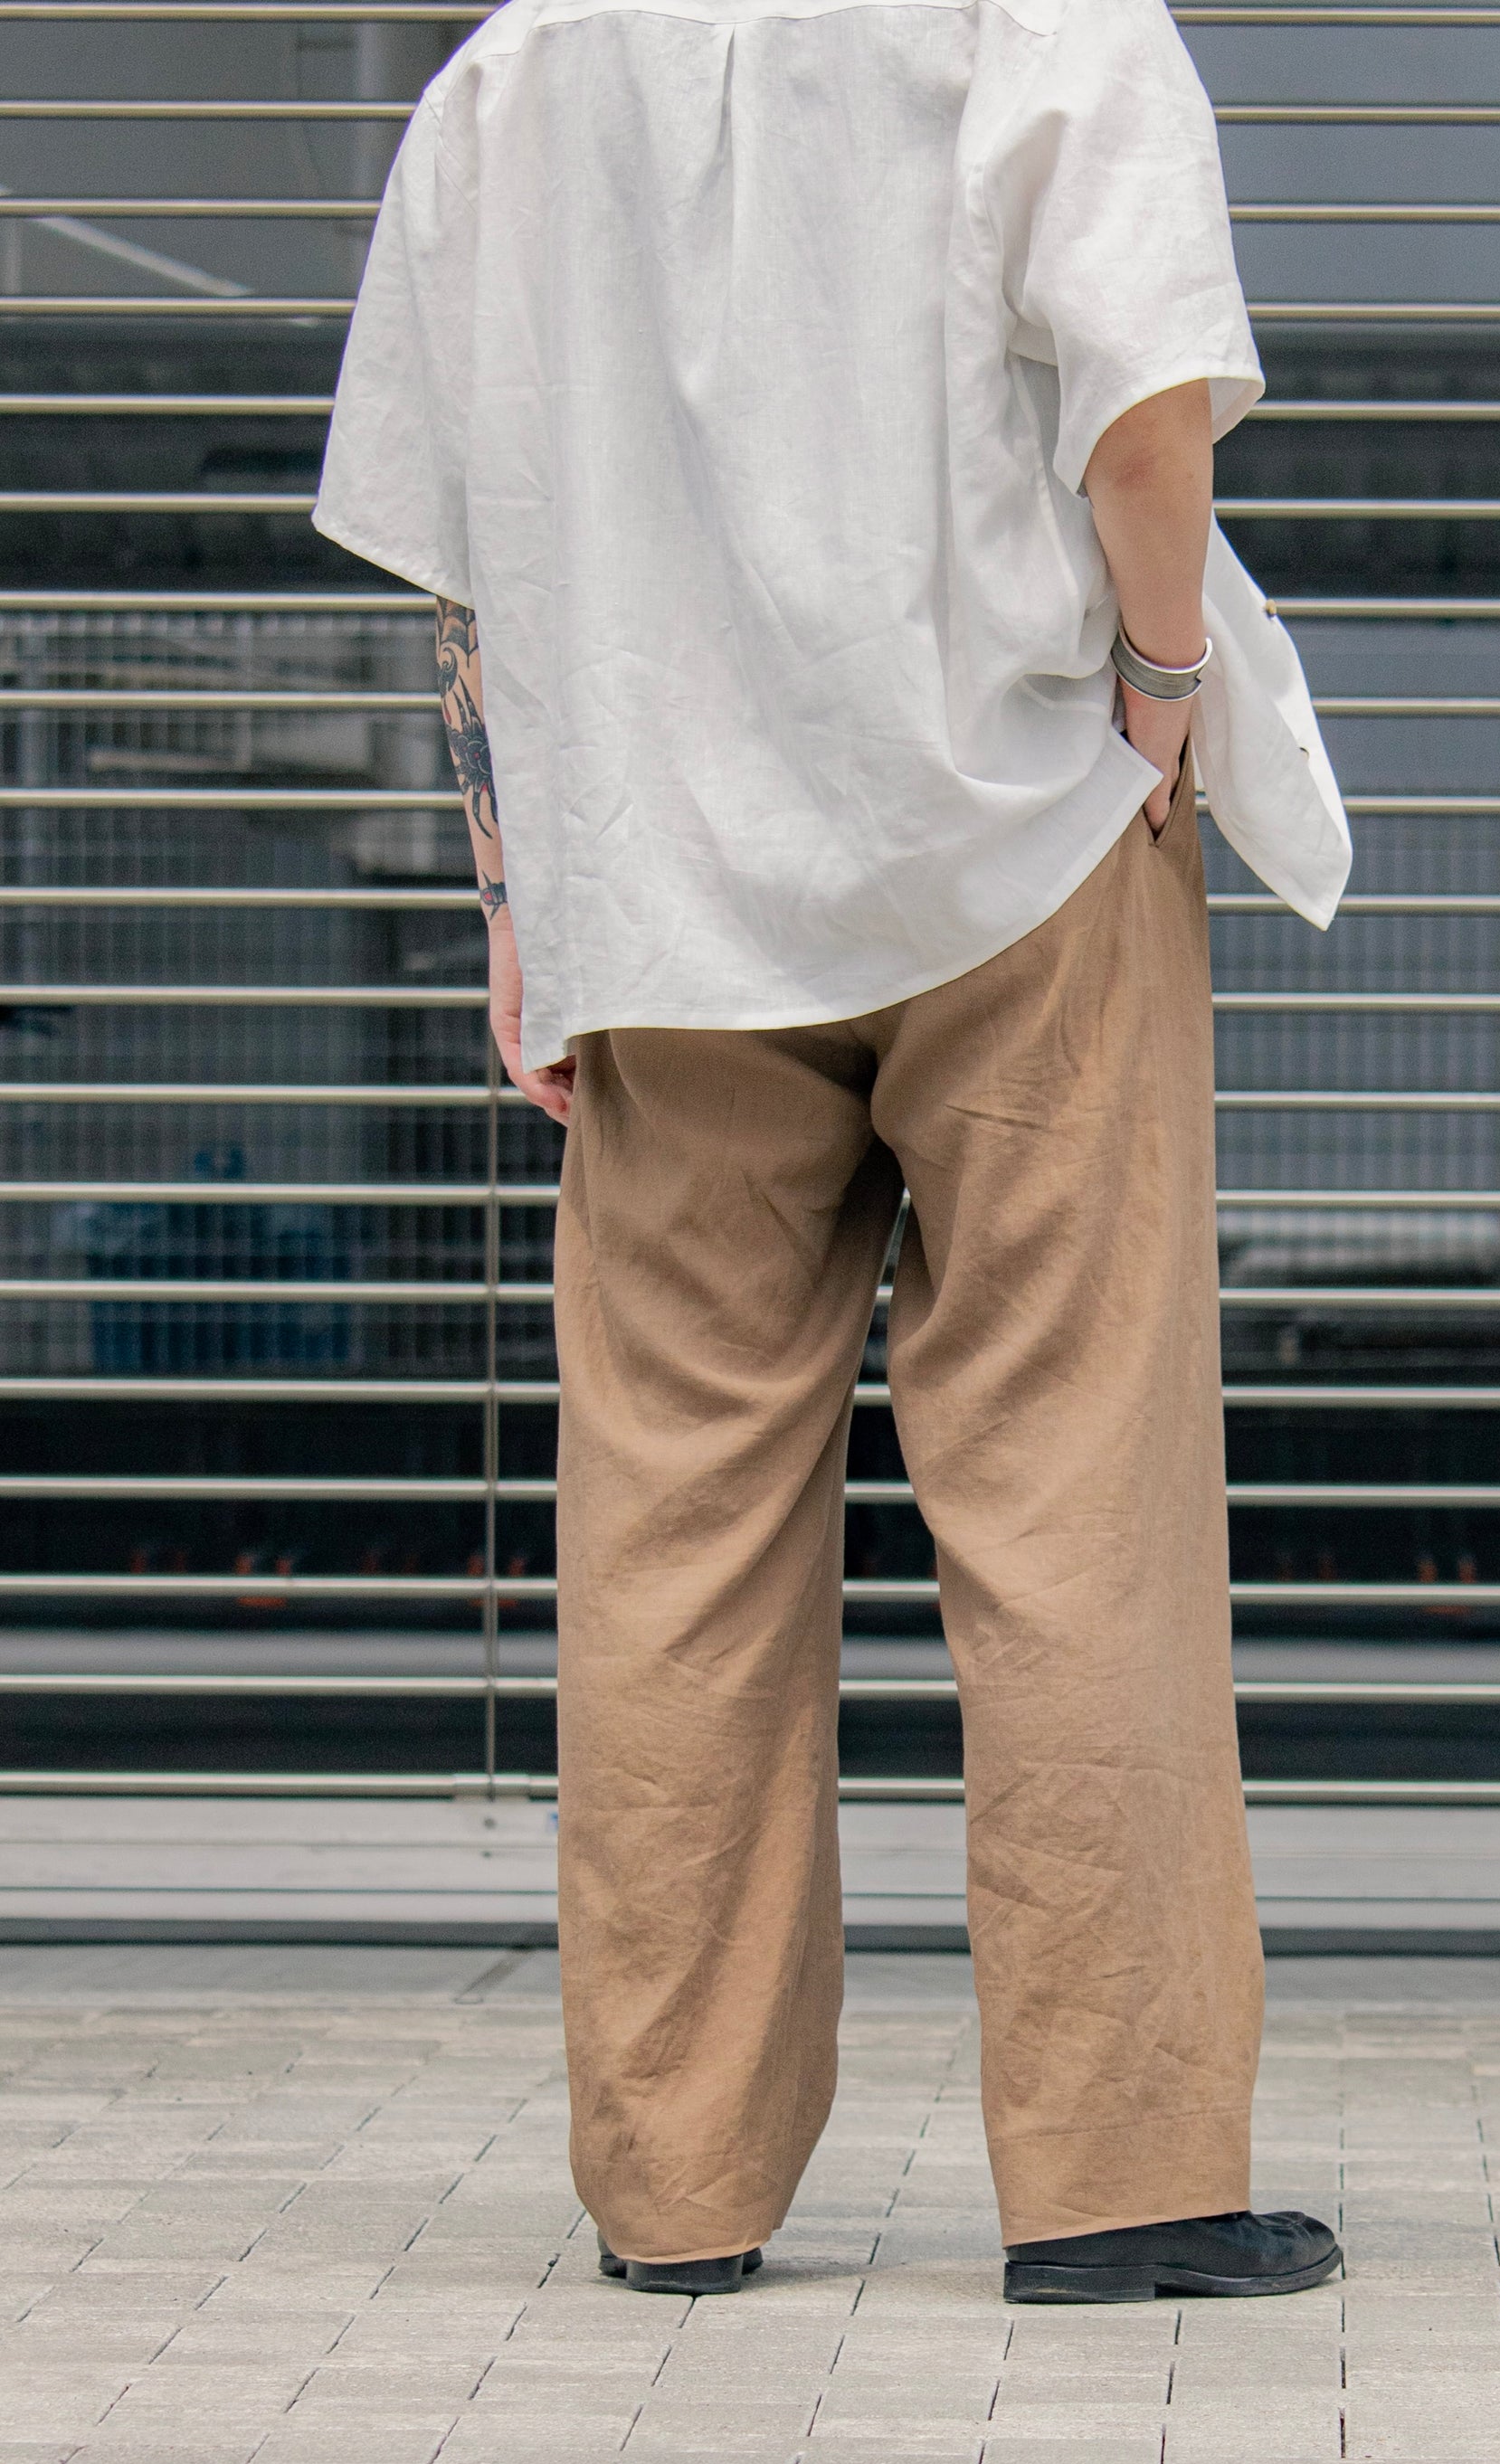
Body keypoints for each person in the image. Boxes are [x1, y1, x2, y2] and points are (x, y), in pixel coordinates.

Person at [314, 0, 1341, 2308]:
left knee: (671, 1524)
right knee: (1078, 1494)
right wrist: (1166, 698)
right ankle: (1122, 2177)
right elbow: (1146, 417)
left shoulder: (513, 73)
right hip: (1024, 842)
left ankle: (675, 2189)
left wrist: (515, 895)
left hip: (669, 887)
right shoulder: (1042, 20)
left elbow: (465, 540)